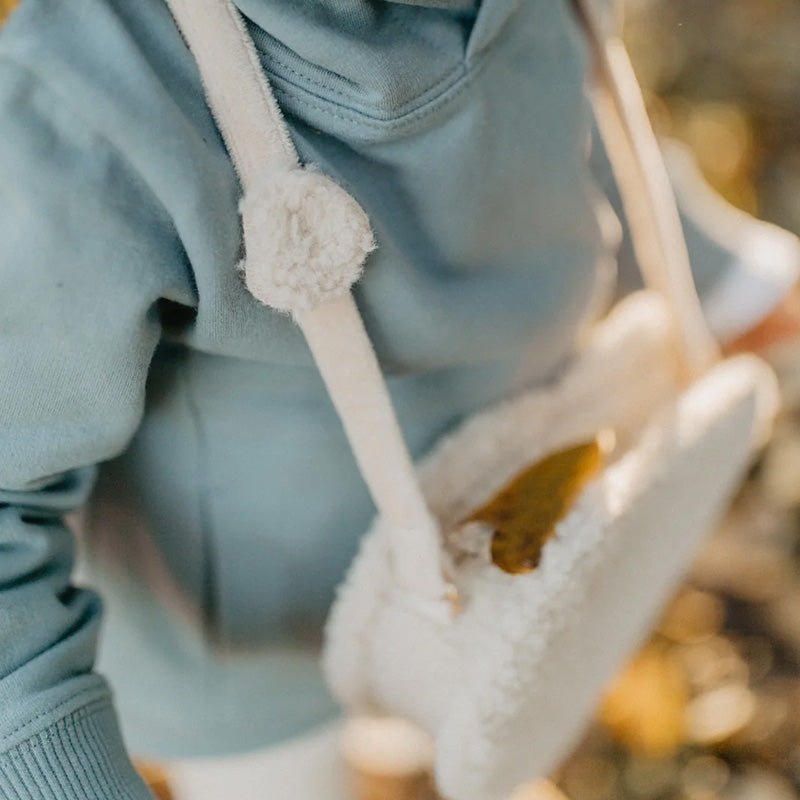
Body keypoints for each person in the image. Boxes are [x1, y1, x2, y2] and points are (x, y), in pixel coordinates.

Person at [0, 1, 798, 797]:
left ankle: (426, 738)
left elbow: (554, 130)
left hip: (499, 535)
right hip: (245, 662)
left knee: (489, 719)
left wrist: (721, 274)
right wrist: (63, 767)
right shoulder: (85, 101)